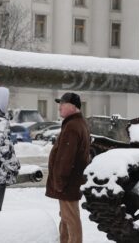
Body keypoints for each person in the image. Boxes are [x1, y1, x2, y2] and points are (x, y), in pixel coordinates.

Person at [46, 92, 90, 243]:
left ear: (73, 106)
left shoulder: (72, 127)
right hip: (70, 182)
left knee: (71, 218)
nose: (59, 108)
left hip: (67, 183)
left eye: (62, 104)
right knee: (66, 217)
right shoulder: (77, 123)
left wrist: (59, 182)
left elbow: (65, 158)